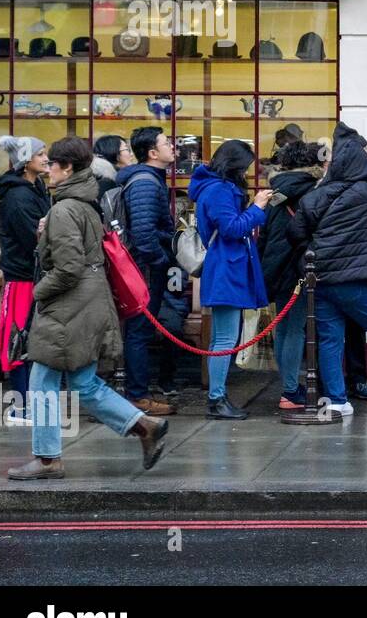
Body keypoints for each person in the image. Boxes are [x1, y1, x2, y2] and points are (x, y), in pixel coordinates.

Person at [6, 136, 168, 480]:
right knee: (84, 382)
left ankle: (48, 459)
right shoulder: (82, 203)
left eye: (52, 163)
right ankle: (145, 426)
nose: (48, 168)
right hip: (89, 302)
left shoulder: (64, 209)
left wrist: (38, 292)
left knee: (42, 380)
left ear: (67, 168)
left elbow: (67, 268)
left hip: (68, 307)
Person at [289, 122, 367, 418]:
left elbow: (295, 233)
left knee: (330, 338)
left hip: (321, 279)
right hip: (355, 279)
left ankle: (337, 400)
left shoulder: (315, 195)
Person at [188, 139, 272, 420]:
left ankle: (217, 397)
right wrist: (258, 207)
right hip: (227, 269)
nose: (248, 172)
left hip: (225, 267)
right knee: (225, 338)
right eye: (246, 166)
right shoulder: (220, 190)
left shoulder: (213, 188)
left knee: (220, 339)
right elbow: (232, 228)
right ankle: (216, 399)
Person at [0, 135, 51, 424]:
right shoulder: (20, 197)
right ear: (25, 161)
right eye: (40, 153)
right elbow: (32, 238)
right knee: (18, 340)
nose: (46, 158)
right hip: (21, 277)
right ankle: (21, 407)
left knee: (29, 339)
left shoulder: (36, 187)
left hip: (33, 276)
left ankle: (29, 404)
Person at [114, 126, 177, 416]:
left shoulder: (149, 180)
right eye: (166, 143)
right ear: (153, 153)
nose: (172, 146)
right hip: (143, 268)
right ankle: (136, 395)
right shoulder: (145, 183)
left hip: (142, 266)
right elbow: (143, 232)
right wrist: (161, 259)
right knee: (139, 330)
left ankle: (137, 391)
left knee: (139, 329)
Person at [258, 140, 324, 410]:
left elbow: (264, 230)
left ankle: (288, 386)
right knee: (296, 327)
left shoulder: (275, 191)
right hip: (299, 265)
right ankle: (289, 390)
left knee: (285, 327)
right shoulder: (312, 190)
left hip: (274, 265)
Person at [91, 134, 134, 200]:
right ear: (113, 151)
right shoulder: (105, 182)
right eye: (127, 149)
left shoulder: (117, 177)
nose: (131, 154)